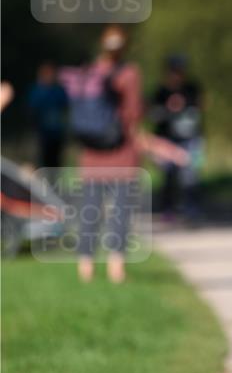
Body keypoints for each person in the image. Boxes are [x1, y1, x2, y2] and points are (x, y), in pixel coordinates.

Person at [60, 25, 143, 284]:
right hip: (122, 153)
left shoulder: (87, 73)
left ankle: (84, 269)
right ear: (124, 47)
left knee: (89, 211)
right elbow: (134, 113)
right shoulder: (129, 73)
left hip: (90, 155)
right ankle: (115, 270)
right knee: (120, 212)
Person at [150, 54, 204, 221]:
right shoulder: (161, 92)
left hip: (190, 138)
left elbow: (202, 106)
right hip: (167, 140)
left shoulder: (191, 88)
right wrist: (168, 109)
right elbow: (153, 114)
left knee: (190, 176)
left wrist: (185, 104)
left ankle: (191, 208)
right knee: (168, 175)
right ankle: (168, 209)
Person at [27, 62, 69, 171]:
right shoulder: (37, 91)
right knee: (41, 162)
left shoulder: (58, 91)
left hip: (56, 133)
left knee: (55, 163)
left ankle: (53, 186)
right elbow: (32, 111)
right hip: (42, 133)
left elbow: (65, 108)